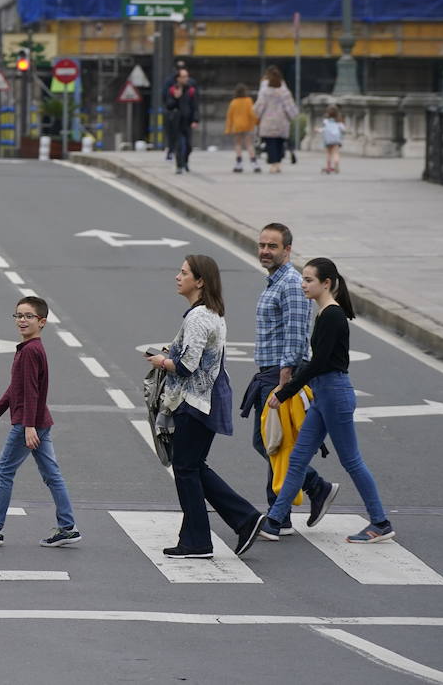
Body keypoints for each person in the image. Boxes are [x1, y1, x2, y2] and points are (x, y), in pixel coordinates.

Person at [259, 258, 393, 544]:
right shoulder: (323, 314)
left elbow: (319, 363)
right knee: (297, 458)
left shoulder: (332, 315)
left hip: (334, 393)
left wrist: (285, 392)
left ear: (326, 283)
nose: (303, 284)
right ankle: (273, 522)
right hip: (324, 394)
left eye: (308, 280)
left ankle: (380, 521)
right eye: (303, 279)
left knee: (351, 460)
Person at [146, 255, 264, 559]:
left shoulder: (198, 317)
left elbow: (186, 366)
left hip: (196, 401)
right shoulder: (211, 313)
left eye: (183, 272)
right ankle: (244, 520)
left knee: (186, 469)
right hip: (206, 399)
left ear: (200, 281)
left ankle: (199, 541)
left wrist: (162, 362)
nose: (177, 276)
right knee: (194, 466)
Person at [0, 297, 81, 548]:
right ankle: (67, 527)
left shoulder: (30, 351)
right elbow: (16, 389)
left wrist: (27, 427)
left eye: (28, 316)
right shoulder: (31, 349)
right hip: (39, 420)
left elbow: (31, 392)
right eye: (18, 315)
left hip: (29, 423)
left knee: (4, 470)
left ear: (42, 322)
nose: (22, 320)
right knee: (52, 475)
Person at [240, 224, 334, 539]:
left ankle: (279, 516)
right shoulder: (275, 282)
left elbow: (296, 331)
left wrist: (285, 381)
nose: (265, 251)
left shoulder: (291, 284)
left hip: (281, 374)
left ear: (288, 250)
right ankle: (314, 488)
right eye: (262, 245)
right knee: (267, 441)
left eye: (273, 246)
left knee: (276, 442)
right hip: (269, 372)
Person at [253, 66, 298, 174]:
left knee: (270, 143)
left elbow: (260, 105)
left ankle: (273, 164)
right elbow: (289, 106)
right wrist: (293, 116)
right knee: (280, 143)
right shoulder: (284, 91)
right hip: (282, 121)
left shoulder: (264, 91)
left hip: (267, 120)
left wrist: (255, 115)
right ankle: (278, 163)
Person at [164, 65, 199, 174]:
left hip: (187, 120)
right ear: (178, 78)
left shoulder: (191, 90)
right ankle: (179, 165)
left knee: (188, 145)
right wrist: (175, 97)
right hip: (176, 120)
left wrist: (195, 120)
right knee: (179, 144)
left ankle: (185, 162)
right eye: (183, 77)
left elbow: (195, 106)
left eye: (186, 77)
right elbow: (168, 105)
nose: (185, 79)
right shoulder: (172, 90)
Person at [224, 83, 259, 173]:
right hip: (248, 126)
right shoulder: (248, 101)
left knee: (238, 144)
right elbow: (252, 113)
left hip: (237, 127)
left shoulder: (233, 102)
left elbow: (229, 116)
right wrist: (257, 122)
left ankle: (239, 163)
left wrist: (228, 128)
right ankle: (254, 162)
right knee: (249, 144)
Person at [320, 104, 344, 175]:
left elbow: (323, 129)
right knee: (336, 153)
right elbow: (343, 129)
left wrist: (318, 130)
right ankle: (336, 163)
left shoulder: (326, 121)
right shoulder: (338, 122)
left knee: (328, 153)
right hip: (336, 139)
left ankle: (328, 166)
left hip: (328, 140)